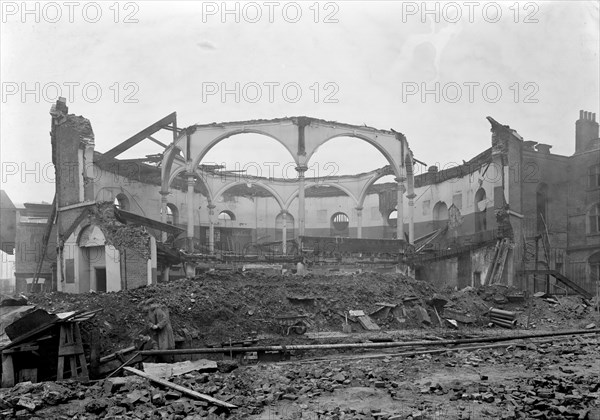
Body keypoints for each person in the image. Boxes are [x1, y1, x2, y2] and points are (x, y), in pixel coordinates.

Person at [143, 298, 175, 362]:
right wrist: (152, 325)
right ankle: (161, 360)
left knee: (166, 345)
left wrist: (158, 325)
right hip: (157, 331)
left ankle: (169, 360)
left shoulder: (159, 309)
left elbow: (165, 319)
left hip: (164, 330)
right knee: (158, 345)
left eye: (150, 305)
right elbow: (148, 321)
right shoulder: (150, 311)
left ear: (153, 304)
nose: (149, 307)